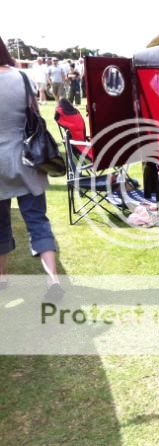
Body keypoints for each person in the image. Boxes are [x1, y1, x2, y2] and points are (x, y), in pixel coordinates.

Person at [0, 36, 62, 300]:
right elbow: (33, 115)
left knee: (1, 226)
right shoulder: (22, 77)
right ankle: (53, 280)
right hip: (27, 160)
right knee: (38, 221)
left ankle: (3, 280)